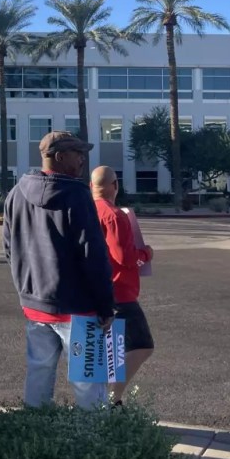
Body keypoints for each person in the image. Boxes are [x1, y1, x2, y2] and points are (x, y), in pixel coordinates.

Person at [3, 131, 115, 408]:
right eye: (78, 154)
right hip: (79, 308)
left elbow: (9, 249)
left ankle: (35, 427)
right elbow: (93, 255)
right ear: (60, 156)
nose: (82, 160)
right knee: (88, 381)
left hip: (35, 304)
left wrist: (25, 290)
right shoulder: (78, 195)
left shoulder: (16, 194)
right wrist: (105, 306)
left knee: (38, 374)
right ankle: (94, 434)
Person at [90, 166, 155, 406]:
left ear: (91, 186)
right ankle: (112, 398)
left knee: (113, 351)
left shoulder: (87, 210)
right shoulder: (114, 215)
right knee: (142, 346)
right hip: (120, 292)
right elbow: (125, 258)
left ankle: (103, 401)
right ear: (115, 186)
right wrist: (145, 254)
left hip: (95, 290)